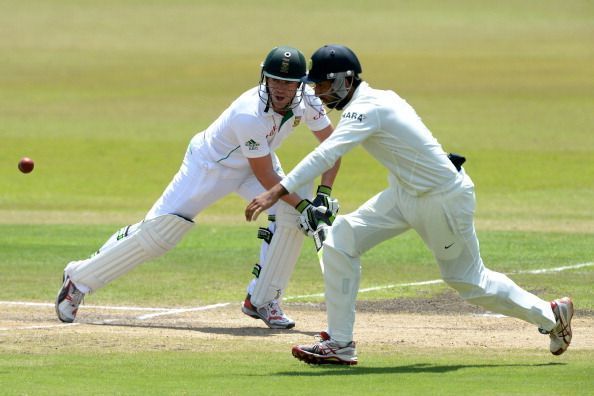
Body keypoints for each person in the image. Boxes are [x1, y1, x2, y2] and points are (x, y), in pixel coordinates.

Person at [245, 44, 574, 365]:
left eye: (323, 83)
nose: (317, 92)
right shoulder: (379, 98)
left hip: (440, 199)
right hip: (405, 193)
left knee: (469, 280)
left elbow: (328, 153)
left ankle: (550, 314)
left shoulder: (367, 108)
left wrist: (276, 191)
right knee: (339, 241)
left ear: (345, 81)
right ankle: (340, 343)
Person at [55, 45, 341, 330]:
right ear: (264, 78)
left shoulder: (310, 102)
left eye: (288, 83)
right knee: (160, 233)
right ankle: (78, 279)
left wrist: (322, 196)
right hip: (209, 166)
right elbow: (265, 175)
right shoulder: (249, 114)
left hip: (254, 163)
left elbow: (332, 147)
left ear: (300, 85)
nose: (279, 88)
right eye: (274, 79)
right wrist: (306, 207)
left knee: (292, 213)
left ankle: (262, 299)